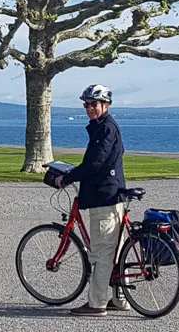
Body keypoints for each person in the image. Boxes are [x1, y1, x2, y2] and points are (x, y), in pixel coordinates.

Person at [54, 84, 130, 317]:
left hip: (104, 197)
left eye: (93, 104)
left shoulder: (106, 128)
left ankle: (96, 303)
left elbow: (94, 164)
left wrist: (67, 177)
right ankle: (121, 299)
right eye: (86, 104)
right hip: (110, 194)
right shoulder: (103, 127)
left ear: (105, 105)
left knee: (102, 252)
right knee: (115, 251)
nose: (89, 108)